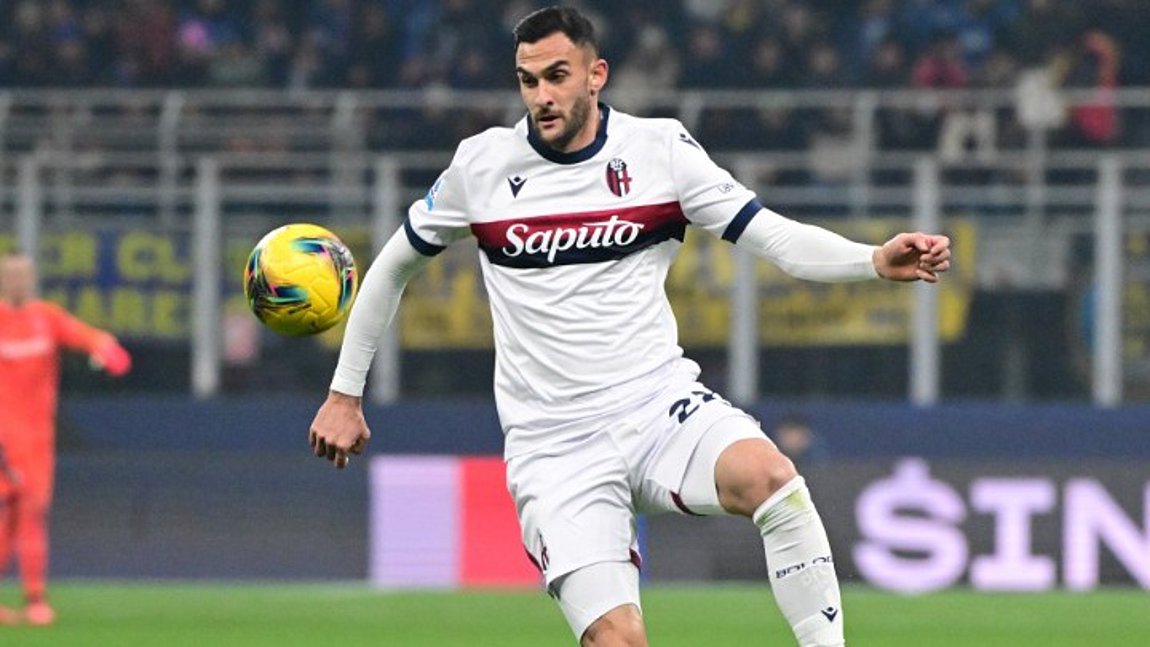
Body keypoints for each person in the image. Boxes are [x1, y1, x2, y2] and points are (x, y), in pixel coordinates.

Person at [309, 6, 951, 646]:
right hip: (554, 447)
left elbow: (775, 238)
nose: (542, 96)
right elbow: (392, 267)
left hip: (657, 406)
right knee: (618, 641)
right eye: (528, 81)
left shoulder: (660, 151)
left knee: (774, 481)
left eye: (557, 76)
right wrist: (344, 393)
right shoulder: (481, 167)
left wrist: (871, 259)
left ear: (596, 75)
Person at [0, 252, 132, 626]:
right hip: (4, 439)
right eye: (11, 275)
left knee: (18, 516)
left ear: (32, 279)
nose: (17, 281)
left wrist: (107, 350)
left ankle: (33, 600)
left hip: (38, 438)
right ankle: (36, 600)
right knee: (24, 513)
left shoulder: (46, 318)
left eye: (23, 275)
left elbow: (90, 337)